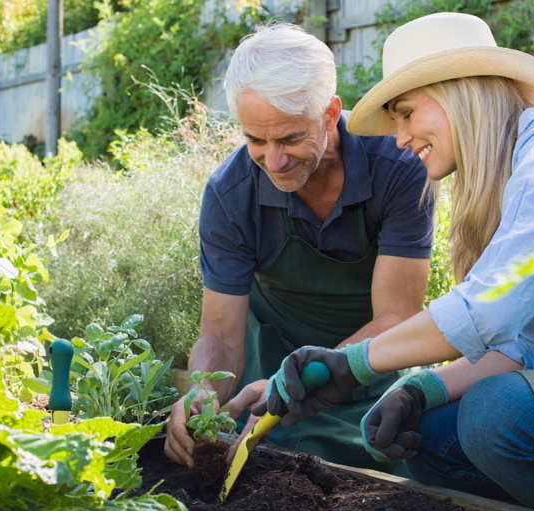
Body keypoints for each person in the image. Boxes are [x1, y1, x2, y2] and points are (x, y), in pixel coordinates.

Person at [256, 12, 534, 511]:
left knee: (494, 413)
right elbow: (527, 343)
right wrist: (423, 389)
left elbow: (486, 312)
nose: (399, 137)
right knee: (430, 435)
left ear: (462, 94)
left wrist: (354, 363)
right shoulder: (512, 179)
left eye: (408, 113)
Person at [163, 22, 434, 472]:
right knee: (267, 465)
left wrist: (306, 381)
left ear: (330, 113)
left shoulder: (397, 167)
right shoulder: (231, 194)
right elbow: (220, 335)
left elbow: (396, 316)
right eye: (255, 140)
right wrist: (203, 392)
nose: (274, 160)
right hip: (268, 362)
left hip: (370, 361)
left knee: (393, 466)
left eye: (289, 138)